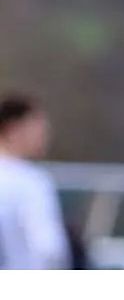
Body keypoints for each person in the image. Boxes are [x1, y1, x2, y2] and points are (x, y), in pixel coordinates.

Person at [0, 92, 71, 269]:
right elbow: (50, 250)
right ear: (14, 128)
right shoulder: (29, 182)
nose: (45, 134)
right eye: (37, 126)